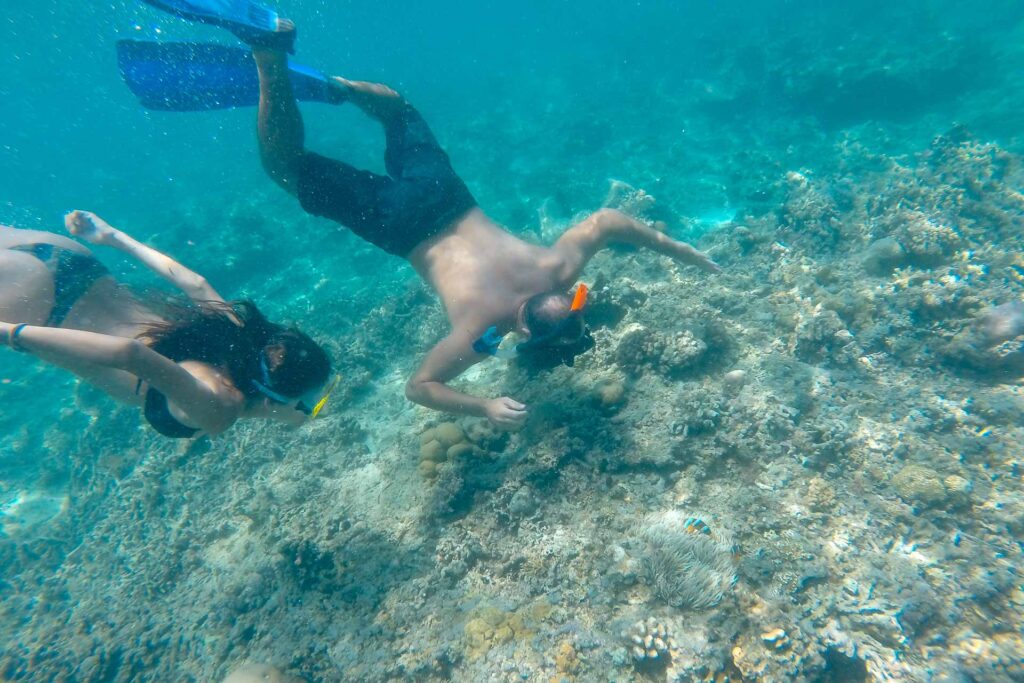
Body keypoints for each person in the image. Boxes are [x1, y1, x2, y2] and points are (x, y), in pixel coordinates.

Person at [245, 19, 721, 429]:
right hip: (399, 226)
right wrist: (484, 406)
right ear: (526, 334)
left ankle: (343, 89)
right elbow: (419, 387)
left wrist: (679, 249)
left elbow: (606, 221)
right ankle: (269, 55)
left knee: (400, 111)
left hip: (445, 192)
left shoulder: (557, 269)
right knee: (284, 166)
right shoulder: (482, 328)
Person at [0, 211, 333, 438]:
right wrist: (11, 334)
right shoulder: (218, 406)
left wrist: (112, 236)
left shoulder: (239, 336)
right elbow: (130, 354)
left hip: (73, 260)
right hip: (37, 307)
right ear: (270, 396)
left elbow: (197, 284)